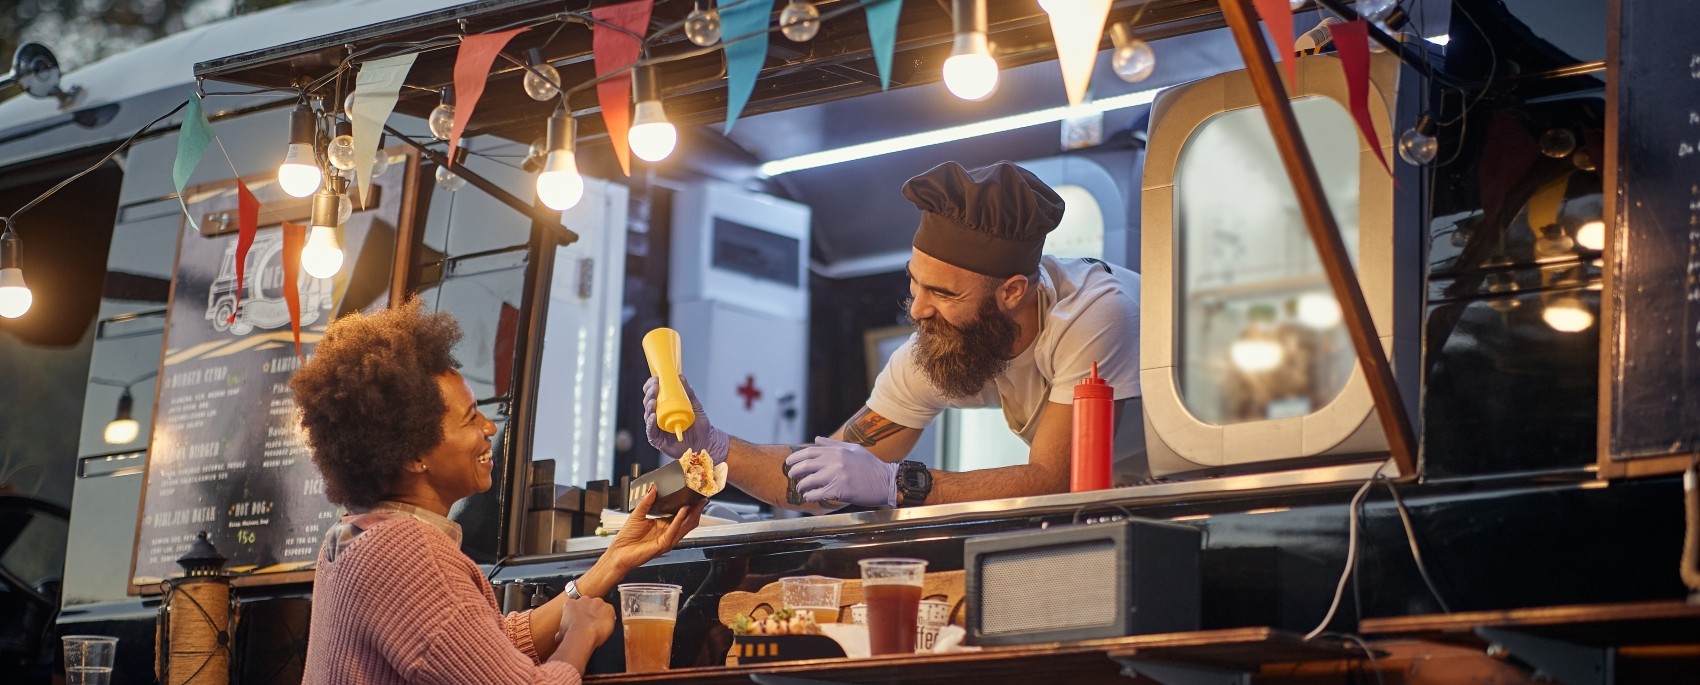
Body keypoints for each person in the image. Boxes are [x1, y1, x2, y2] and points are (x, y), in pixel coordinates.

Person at [645, 160, 1141, 513]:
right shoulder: (931, 353)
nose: (919, 309)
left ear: (1011, 292)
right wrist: (710, 445)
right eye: (914, 282)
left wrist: (896, 482)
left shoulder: (1093, 314)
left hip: (1193, 486)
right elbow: (811, 488)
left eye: (944, 294)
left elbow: (1054, 481)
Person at [294, 297, 705, 684]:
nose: (489, 429)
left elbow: (487, 646)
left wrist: (614, 560)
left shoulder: (354, 536)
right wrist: (581, 633)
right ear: (413, 454)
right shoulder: (406, 552)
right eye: (471, 418)